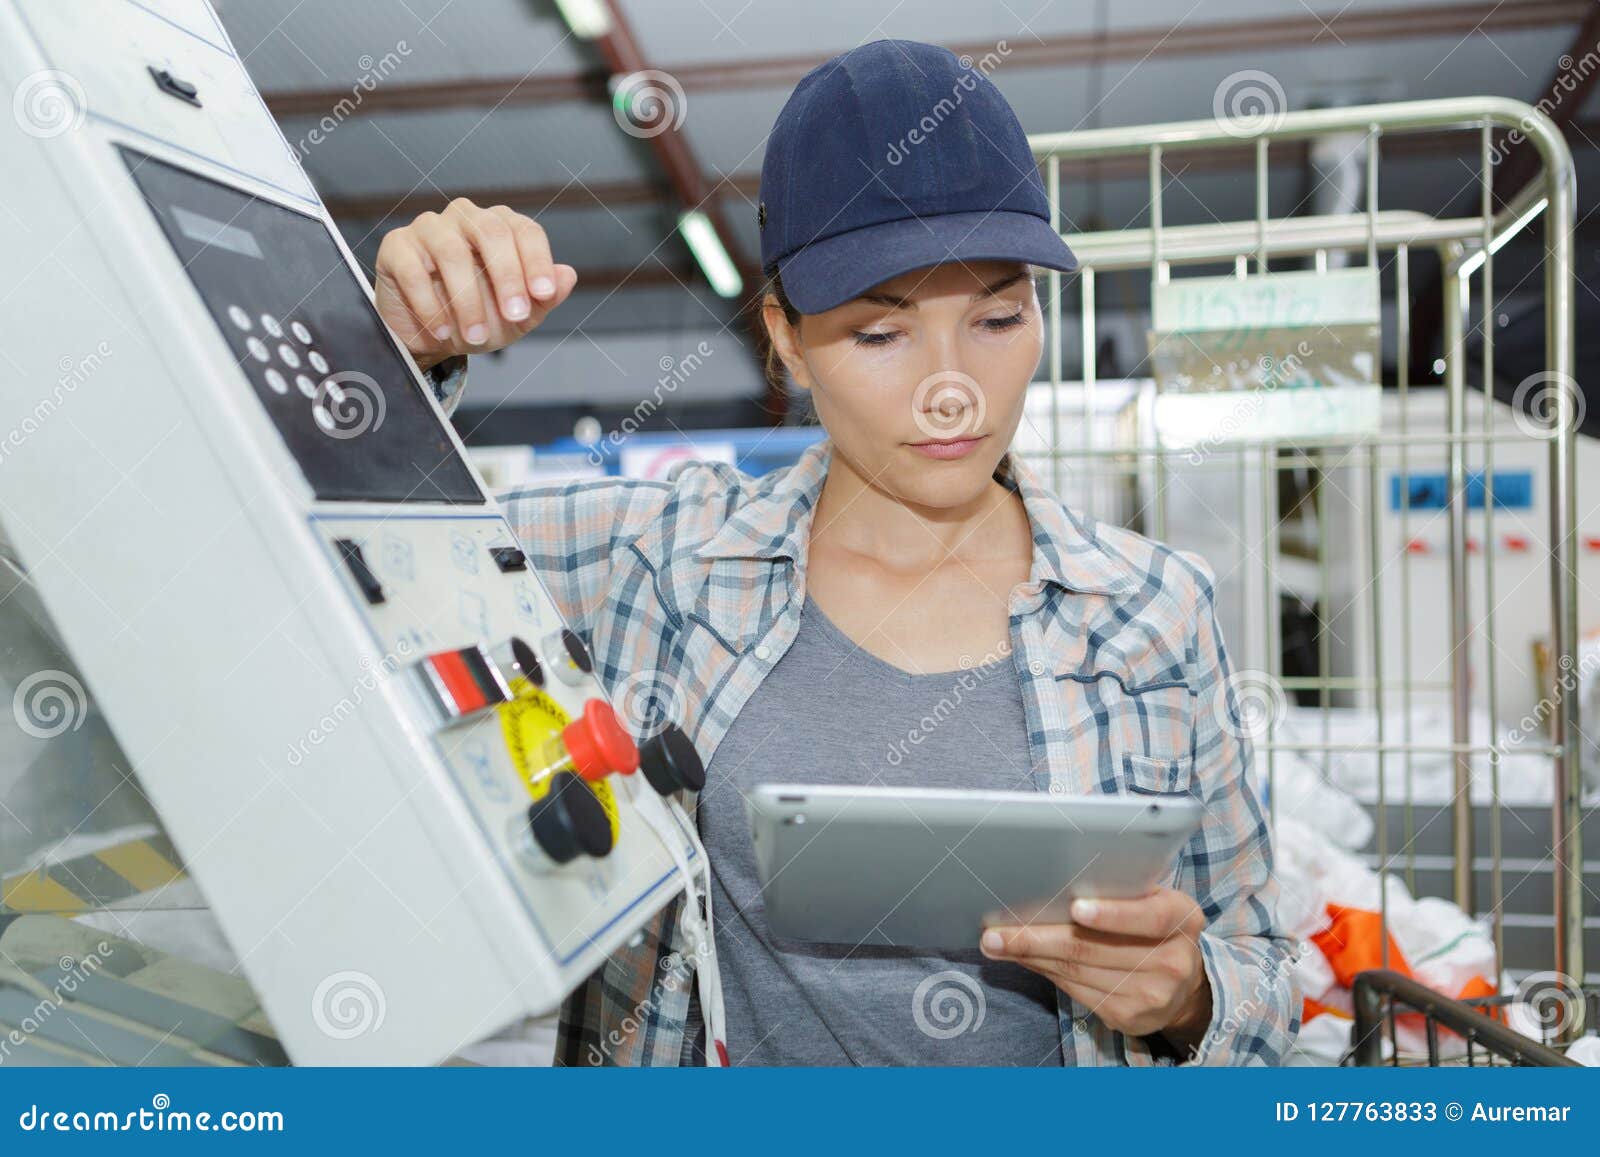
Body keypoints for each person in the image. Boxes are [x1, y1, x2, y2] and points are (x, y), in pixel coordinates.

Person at [374, 39, 1297, 1066]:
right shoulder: (657, 560)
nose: (951, 388)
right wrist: (398, 349)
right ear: (787, 339)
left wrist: (1186, 996)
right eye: (878, 334)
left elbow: (1263, 976)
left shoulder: (1152, 609)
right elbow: (366, 547)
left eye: (998, 316)